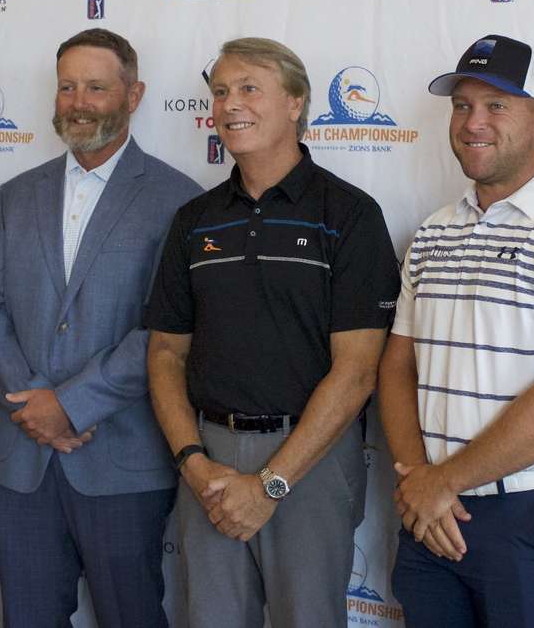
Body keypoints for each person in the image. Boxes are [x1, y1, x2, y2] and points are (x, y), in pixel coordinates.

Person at [146, 37, 400, 628]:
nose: (230, 103)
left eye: (249, 87)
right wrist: (192, 461)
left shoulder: (349, 214)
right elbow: (164, 354)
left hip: (309, 462)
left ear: (296, 102)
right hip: (206, 461)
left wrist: (271, 484)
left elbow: (359, 370)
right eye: (220, 91)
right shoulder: (194, 220)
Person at [379, 35, 534, 627]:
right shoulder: (434, 231)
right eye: (462, 106)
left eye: (497, 106)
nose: (473, 123)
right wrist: (421, 481)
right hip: (431, 510)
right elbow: (396, 366)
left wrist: (442, 481)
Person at [0, 28, 200, 628]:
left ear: (134, 94)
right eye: (67, 86)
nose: (78, 101)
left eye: (96, 87)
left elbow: (165, 331)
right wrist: (32, 405)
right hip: (20, 460)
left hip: (121, 457)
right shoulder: (16, 195)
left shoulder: (179, 201)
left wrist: (70, 405)